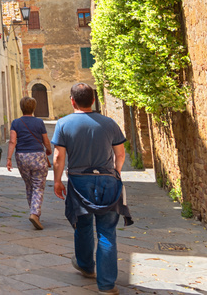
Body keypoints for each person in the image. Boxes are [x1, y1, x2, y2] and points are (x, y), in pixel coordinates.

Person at [52, 83, 132, 295]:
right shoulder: (109, 123)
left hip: (79, 181)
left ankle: (86, 266)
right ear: (94, 100)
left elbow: (59, 157)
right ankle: (106, 285)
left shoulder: (63, 124)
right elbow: (121, 154)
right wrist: (116, 172)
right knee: (107, 232)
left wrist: (57, 180)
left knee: (83, 225)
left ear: (72, 100)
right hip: (107, 180)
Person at [6, 96, 52, 230]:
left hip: (22, 157)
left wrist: (9, 159)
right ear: (34, 108)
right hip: (37, 155)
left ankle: (34, 212)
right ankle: (34, 213)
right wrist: (48, 150)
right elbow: (46, 140)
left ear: (21, 108)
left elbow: (13, 141)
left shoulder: (16, 122)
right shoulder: (39, 122)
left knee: (29, 186)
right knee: (38, 185)